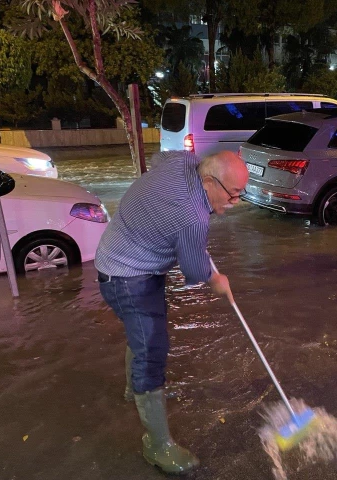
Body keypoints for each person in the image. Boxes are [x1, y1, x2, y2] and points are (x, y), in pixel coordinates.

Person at [95, 149, 249, 474]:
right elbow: (194, 271)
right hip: (125, 273)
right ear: (208, 181)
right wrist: (217, 279)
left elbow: (157, 158)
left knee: (143, 333)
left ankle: (132, 388)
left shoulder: (182, 162)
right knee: (151, 349)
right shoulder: (192, 216)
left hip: (124, 251)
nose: (236, 202)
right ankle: (157, 445)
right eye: (234, 194)